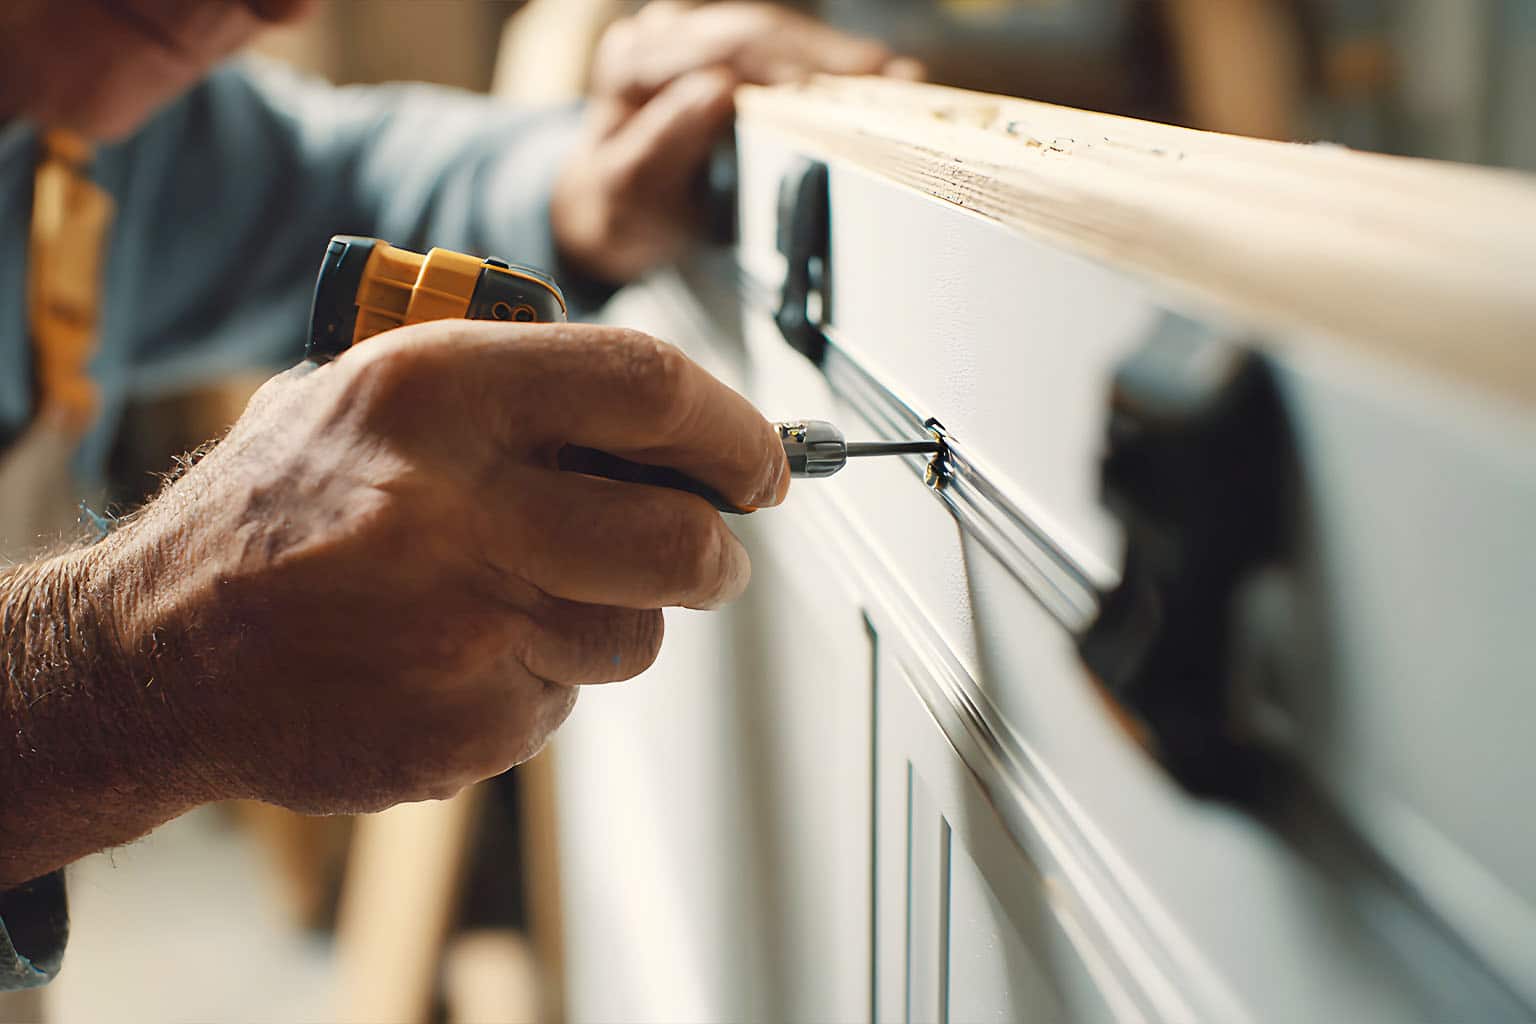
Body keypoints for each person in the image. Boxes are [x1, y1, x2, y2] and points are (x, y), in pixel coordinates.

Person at [0, 0, 919, 991]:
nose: (283, 9)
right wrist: (105, 671)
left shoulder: (87, 116)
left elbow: (333, 179)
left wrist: (582, 184)